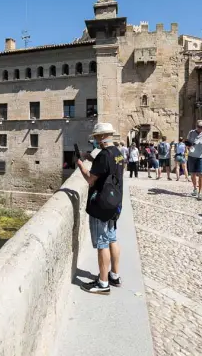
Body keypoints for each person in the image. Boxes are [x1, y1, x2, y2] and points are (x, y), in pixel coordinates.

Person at [76, 122, 124, 295]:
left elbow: (91, 179)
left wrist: (80, 164)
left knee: (102, 243)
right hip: (115, 203)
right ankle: (114, 276)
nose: (95, 139)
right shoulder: (118, 152)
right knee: (112, 238)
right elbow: (109, 170)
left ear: (102, 136)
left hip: (101, 205)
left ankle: (103, 284)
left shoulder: (104, 155)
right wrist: (91, 158)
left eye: (96, 137)